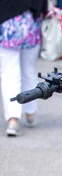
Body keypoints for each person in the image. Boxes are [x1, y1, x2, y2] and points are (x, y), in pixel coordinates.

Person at [0, 0, 48, 136]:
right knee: (29, 69)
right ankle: (30, 111)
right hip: (31, 19)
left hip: (7, 20)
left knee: (9, 72)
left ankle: (13, 118)